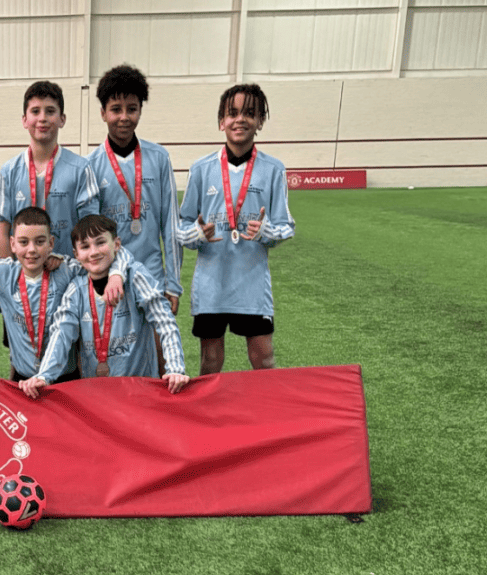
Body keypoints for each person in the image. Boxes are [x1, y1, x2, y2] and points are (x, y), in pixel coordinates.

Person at [0, 207, 129, 383]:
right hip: (21, 379)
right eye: (24, 242)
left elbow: (112, 256)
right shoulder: (3, 271)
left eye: (40, 242)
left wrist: (117, 274)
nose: (32, 250)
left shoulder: (66, 269)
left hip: (66, 377)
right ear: (12, 244)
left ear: (51, 243)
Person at [177, 83, 295, 375]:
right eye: (232, 113)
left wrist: (267, 231)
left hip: (251, 285)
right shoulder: (201, 169)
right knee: (211, 361)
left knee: (263, 358)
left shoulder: (273, 169)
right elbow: (180, 225)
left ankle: (268, 416)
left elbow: (286, 226)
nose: (240, 119)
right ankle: (210, 418)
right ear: (221, 122)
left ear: (260, 122)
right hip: (210, 286)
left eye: (249, 113)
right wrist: (196, 234)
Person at [19, 215, 189, 398]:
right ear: (76, 254)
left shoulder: (136, 276)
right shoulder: (75, 290)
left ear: (117, 244)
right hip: (98, 399)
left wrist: (175, 368)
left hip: (141, 393)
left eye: (100, 243)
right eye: (85, 247)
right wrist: (44, 376)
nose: (93, 252)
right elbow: (61, 334)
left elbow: (165, 322)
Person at [87, 65, 182, 315]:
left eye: (132, 109)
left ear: (140, 110)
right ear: (103, 113)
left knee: (158, 352)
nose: (124, 117)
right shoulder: (91, 165)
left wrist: (172, 284)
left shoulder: (159, 158)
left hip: (152, 279)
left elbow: (171, 226)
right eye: (116, 109)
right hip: (108, 282)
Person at [0, 80, 99, 260]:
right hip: (22, 278)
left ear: (62, 119)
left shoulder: (81, 169)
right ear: (24, 120)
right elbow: (2, 229)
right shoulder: (8, 171)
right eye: (35, 111)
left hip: (68, 274)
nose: (42, 118)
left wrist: (70, 267)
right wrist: (12, 272)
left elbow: (89, 228)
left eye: (50, 111)